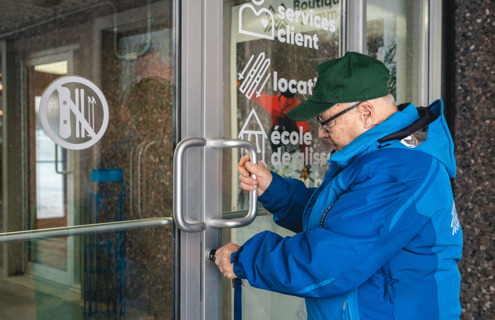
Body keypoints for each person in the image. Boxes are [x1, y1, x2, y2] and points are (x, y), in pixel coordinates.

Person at [215, 51, 462, 319]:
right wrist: (273, 189)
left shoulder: (400, 172)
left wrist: (245, 260)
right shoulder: (382, 157)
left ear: (366, 112)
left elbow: (329, 263)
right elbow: (339, 220)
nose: (320, 132)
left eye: (326, 120)